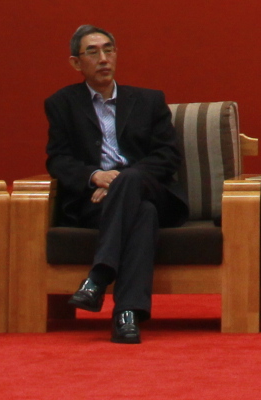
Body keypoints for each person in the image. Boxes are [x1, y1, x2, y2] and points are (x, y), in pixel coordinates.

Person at [44, 23, 187, 345]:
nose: (103, 58)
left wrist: (119, 182)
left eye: (109, 50)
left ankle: (99, 276)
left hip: (152, 189)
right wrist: (94, 176)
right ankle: (127, 314)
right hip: (96, 201)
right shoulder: (62, 103)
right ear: (76, 63)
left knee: (131, 179)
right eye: (93, 52)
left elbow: (167, 156)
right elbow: (58, 159)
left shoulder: (149, 100)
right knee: (143, 214)